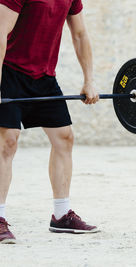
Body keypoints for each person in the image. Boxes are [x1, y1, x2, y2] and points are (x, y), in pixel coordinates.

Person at [0, 0, 100, 244]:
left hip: (44, 76)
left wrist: (89, 80)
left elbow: (79, 34)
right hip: (9, 71)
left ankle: (61, 215)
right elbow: (0, 32)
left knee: (64, 138)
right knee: (7, 141)